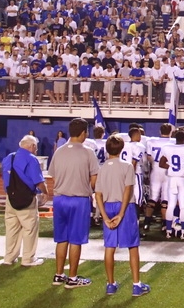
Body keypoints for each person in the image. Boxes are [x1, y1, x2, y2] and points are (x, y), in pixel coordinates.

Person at [95, 134, 151, 297]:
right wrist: (121, 214)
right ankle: (136, 285)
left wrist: (105, 217)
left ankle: (110, 284)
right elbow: (128, 191)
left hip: (108, 205)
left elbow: (98, 194)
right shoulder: (127, 166)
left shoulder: (102, 168)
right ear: (121, 149)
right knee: (133, 246)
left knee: (109, 247)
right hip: (125, 208)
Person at [49, 118, 100, 289]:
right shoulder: (88, 152)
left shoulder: (59, 151)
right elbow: (94, 180)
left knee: (61, 239)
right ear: (84, 132)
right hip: (79, 199)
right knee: (76, 239)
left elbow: (54, 176)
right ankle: (72, 278)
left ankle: (58, 275)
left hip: (59, 198)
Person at [1, 134, 48, 267]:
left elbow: (5, 178)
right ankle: (28, 258)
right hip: (26, 198)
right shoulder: (31, 159)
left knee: (11, 229)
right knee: (29, 228)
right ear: (31, 146)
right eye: (36, 147)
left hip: (10, 197)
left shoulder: (8, 158)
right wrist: (45, 192)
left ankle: (9, 257)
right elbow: (38, 181)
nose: (36, 150)